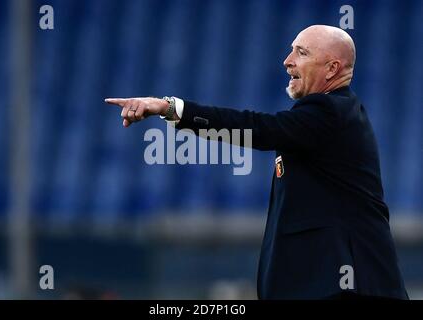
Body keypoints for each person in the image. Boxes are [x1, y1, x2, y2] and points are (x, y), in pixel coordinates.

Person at [105, 25, 408, 300]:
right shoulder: (331, 116)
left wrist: (170, 108)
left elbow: (257, 127)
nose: (287, 60)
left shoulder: (329, 110)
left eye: (301, 53)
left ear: (331, 68)